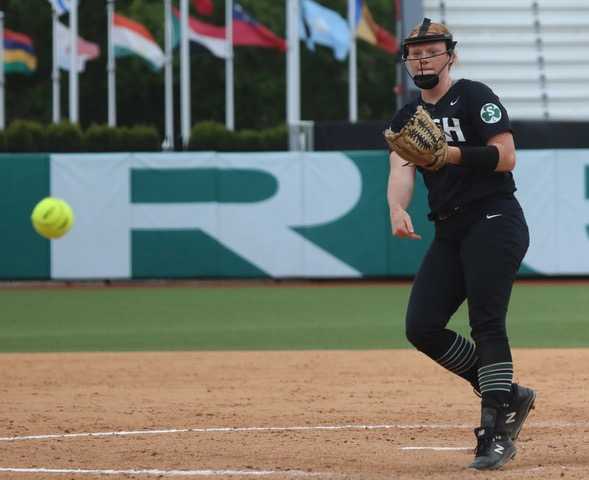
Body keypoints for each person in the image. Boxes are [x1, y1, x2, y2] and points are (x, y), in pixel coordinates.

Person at [386, 18, 536, 470]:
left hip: (494, 218)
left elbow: (505, 156)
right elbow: (401, 166)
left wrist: (449, 153)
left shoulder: (474, 96)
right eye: (414, 53)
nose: (422, 59)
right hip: (450, 229)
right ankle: (506, 391)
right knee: (422, 326)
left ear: (451, 55)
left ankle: (495, 433)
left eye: (431, 51)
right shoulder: (407, 117)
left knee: (486, 323)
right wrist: (396, 207)